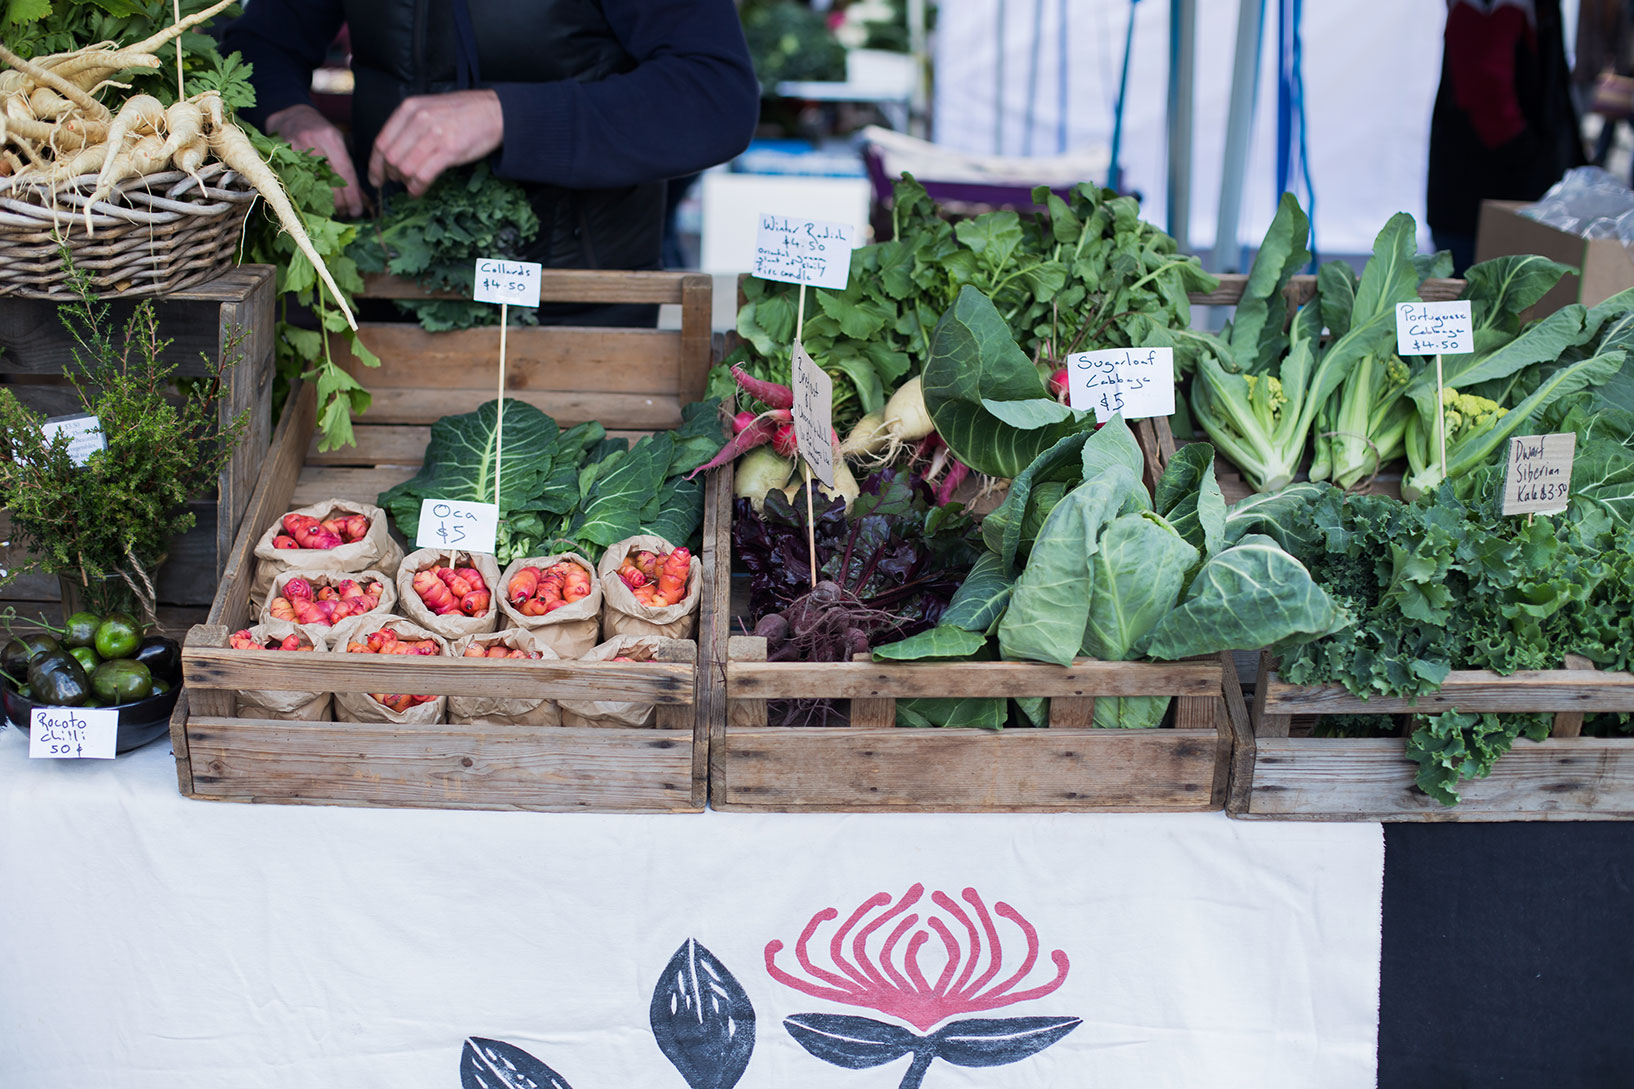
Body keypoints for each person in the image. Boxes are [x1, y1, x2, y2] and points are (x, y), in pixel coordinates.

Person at [222, 0, 760, 311]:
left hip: (575, 298)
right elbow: (258, 43)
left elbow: (716, 97)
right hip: (384, 276)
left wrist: (507, 115)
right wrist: (288, 114)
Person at [1426, 0, 1585, 273]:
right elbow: (1485, 88)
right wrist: (1528, 155)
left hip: (1499, 198)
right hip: (1486, 200)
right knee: (1480, 303)